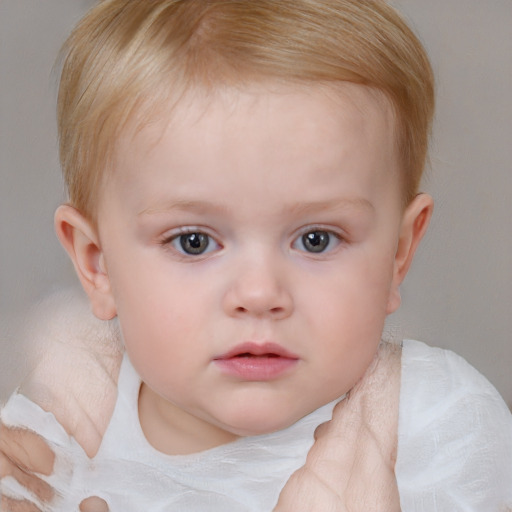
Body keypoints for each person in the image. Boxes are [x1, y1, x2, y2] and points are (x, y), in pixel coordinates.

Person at [1, 0, 511, 510]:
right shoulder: (62, 425)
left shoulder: (434, 425)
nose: (260, 293)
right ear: (98, 264)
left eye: (317, 239)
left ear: (398, 253)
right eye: (193, 242)